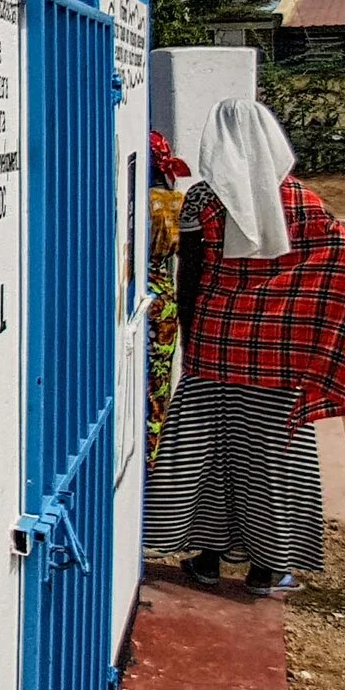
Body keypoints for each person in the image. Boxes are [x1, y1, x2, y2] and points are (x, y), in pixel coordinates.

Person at [142, 99, 345, 597]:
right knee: (274, 461)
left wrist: (195, 334)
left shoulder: (203, 202)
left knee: (208, 456)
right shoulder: (304, 203)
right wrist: (303, 319)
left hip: (215, 350)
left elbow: (191, 276)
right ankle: (270, 568)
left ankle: (205, 557)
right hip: (279, 361)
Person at [142, 131, 188, 467]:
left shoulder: (141, 200)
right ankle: (155, 455)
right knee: (158, 385)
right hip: (167, 301)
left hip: (143, 298)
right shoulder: (173, 201)